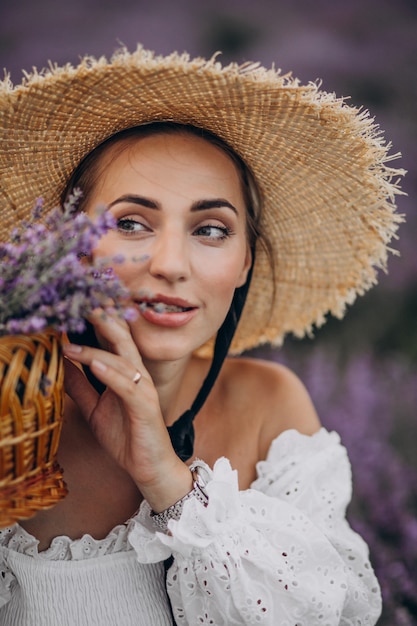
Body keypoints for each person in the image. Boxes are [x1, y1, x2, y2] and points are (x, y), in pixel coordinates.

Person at [0, 46, 405, 625]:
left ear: (244, 264)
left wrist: (168, 480)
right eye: (131, 222)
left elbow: (328, 612)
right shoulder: (16, 406)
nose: (170, 264)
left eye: (211, 229)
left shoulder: (269, 405)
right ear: (65, 242)